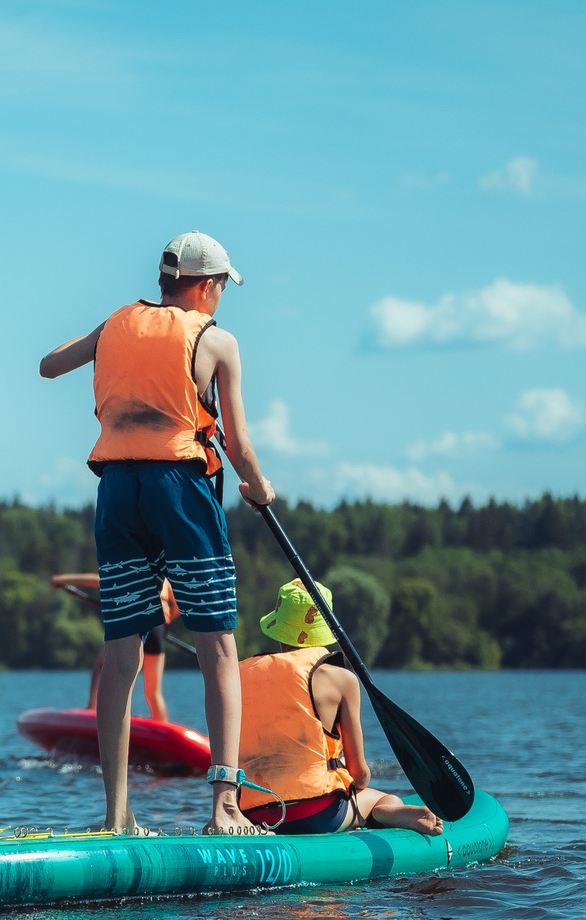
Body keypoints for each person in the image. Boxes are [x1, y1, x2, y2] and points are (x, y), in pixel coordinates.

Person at [41, 231, 276, 834]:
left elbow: (48, 367)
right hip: (182, 489)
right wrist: (258, 486)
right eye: (222, 287)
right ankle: (226, 810)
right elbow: (241, 446)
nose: (221, 297)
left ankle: (117, 817)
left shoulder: (118, 322)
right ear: (206, 285)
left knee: (121, 654)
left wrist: (103, 340)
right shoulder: (217, 340)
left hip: (118, 491)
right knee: (217, 646)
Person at [236, 580, 443, 836]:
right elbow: (359, 775)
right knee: (382, 797)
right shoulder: (341, 679)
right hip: (317, 814)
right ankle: (384, 812)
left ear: (277, 629)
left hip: (249, 816)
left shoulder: (238, 674)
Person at [51, 573, 178, 722]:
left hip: (136, 620)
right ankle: (162, 727)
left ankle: (91, 707)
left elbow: (101, 580)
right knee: (153, 693)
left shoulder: (135, 567)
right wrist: (166, 621)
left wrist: (63, 579)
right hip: (159, 625)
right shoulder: (164, 579)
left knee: (101, 663)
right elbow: (177, 605)